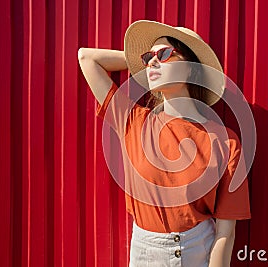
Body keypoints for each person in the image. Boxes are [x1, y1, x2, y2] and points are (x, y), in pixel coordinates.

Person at [78, 20, 251, 267]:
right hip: (145, 254)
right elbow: (87, 58)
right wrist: (143, 63)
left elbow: (226, 232)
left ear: (191, 69)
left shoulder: (225, 142)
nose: (152, 62)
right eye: (149, 56)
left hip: (198, 251)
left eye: (167, 53)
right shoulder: (133, 121)